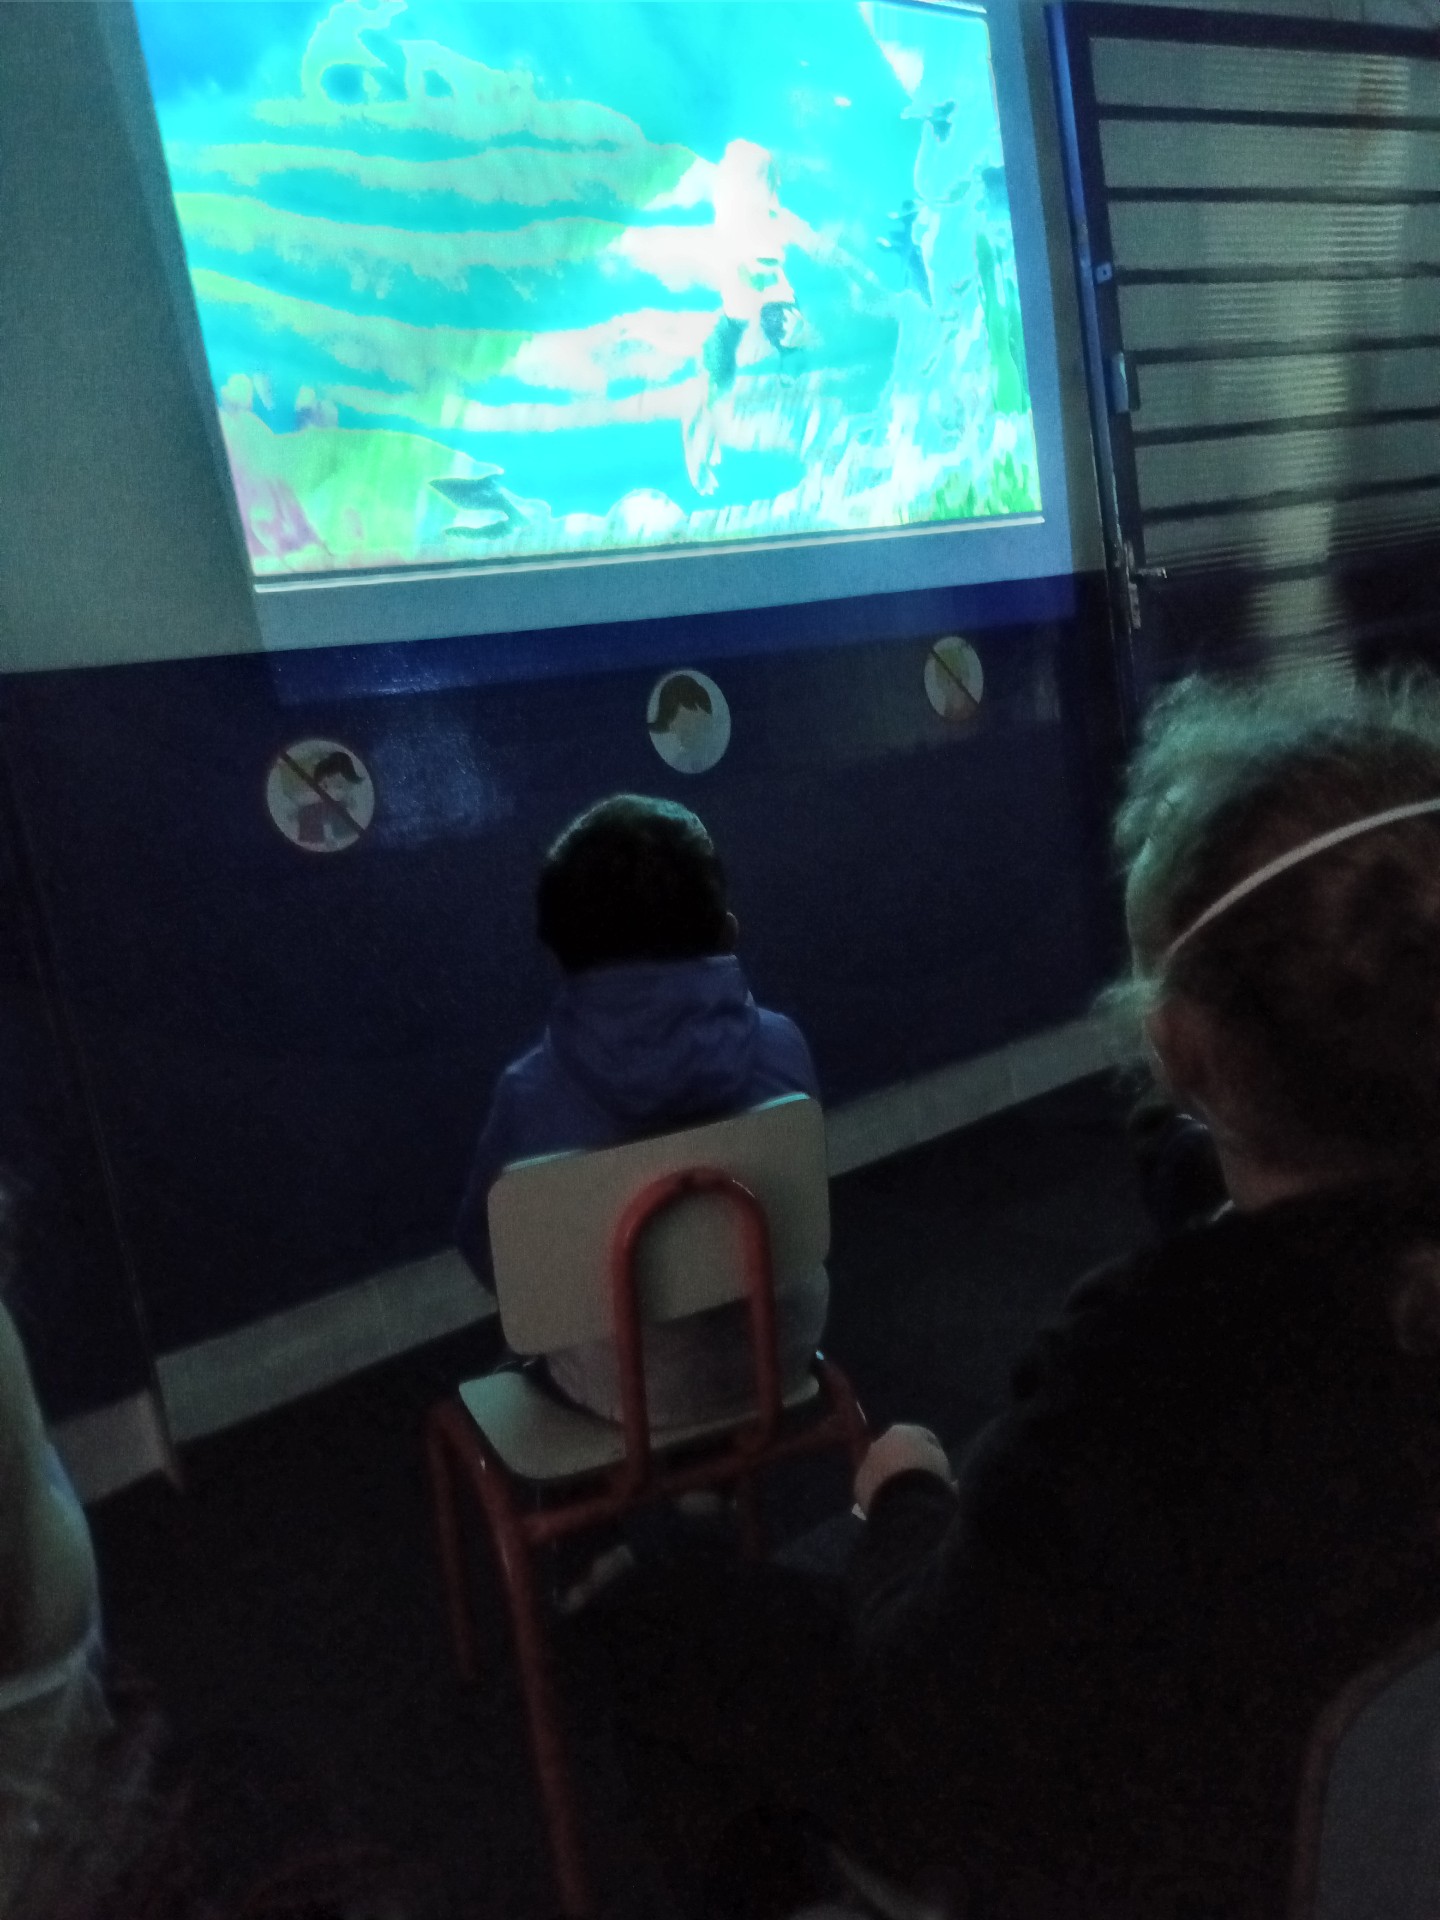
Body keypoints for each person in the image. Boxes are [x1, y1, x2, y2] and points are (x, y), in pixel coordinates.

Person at [599, 671, 1440, 1920]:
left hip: (1159, 1844)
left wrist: (904, 1499)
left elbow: (925, 1719)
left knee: (660, 1617)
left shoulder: (1143, 1373)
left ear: (1180, 1048)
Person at [455, 793, 827, 1433]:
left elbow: (490, 1255)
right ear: (727, 931)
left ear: (559, 954)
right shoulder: (783, 1043)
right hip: (782, 1345)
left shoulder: (526, 1091)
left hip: (619, 1387)